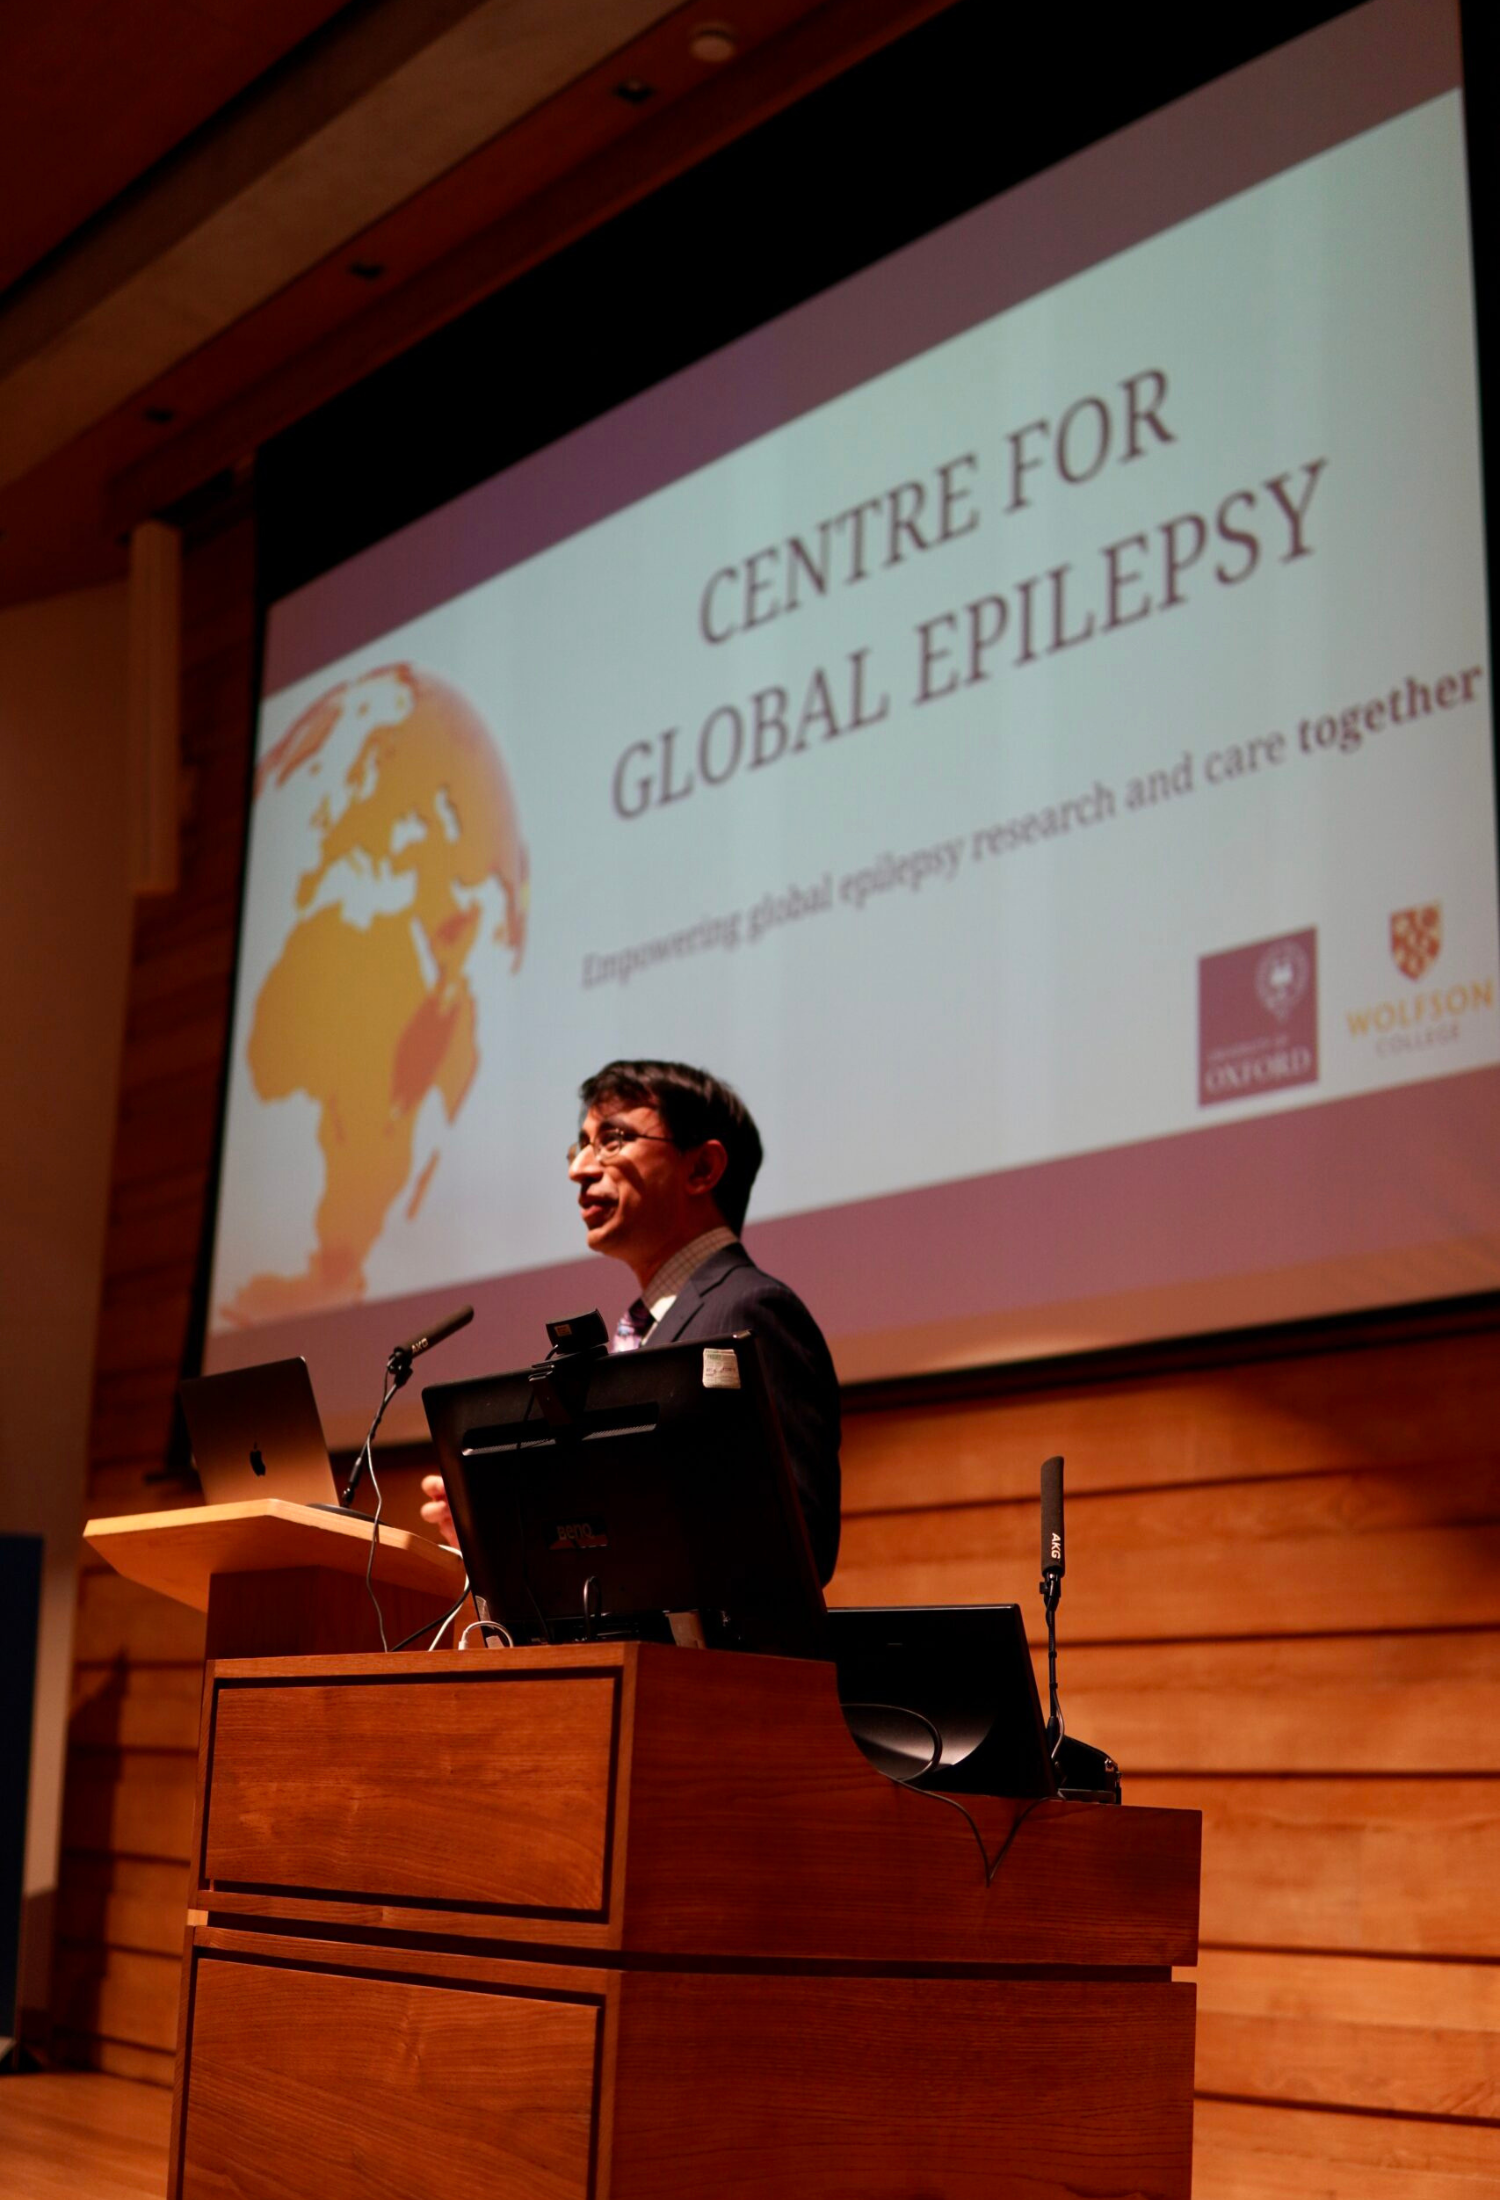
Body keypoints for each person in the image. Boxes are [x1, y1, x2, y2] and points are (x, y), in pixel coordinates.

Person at [421, 1058, 841, 1581]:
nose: (579, 1169)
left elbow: (802, 1539)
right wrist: (498, 1528)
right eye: (582, 1145)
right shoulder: (649, 1326)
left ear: (701, 1169)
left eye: (614, 1140)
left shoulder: (749, 1310)